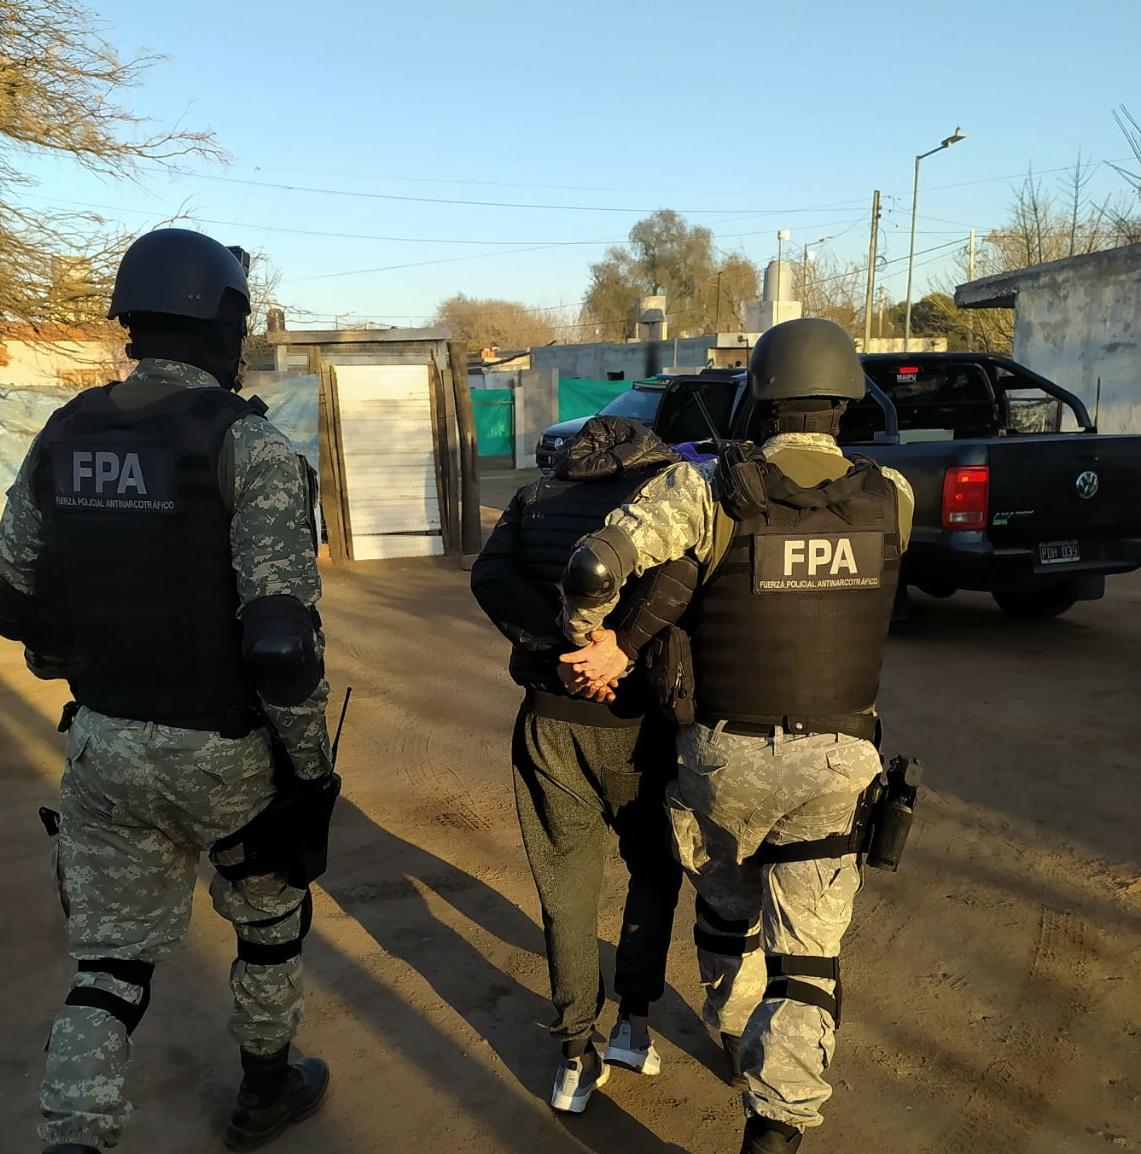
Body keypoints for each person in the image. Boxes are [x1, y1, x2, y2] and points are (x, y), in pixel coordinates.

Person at [0, 228, 334, 1154]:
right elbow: (281, 646)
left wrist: (68, 652)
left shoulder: (65, 432)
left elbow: (10, 587)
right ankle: (265, 1086)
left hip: (103, 742)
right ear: (224, 321)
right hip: (223, 754)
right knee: (269, 921)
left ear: (134, 322)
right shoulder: (250, 444)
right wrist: (309, 770)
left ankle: (72, 1138)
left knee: (109, 967)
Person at [559, 319, 915, 1152]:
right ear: (848, 398)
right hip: (837, 763)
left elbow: (594, 564)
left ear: (760, 394)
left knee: (727, 913)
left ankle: (731, 1031)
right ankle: (774, 1128)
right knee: (808, 962)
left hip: (724, 763)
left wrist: (588, 640)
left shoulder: (703, 488)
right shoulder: (891, 495)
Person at [471, 416, 697, 1114]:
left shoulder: (532, 498)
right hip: (642, 728)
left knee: (565, 889)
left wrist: (562, 650)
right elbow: (682, 582)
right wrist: (611, 650)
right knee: (653, 873)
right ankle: (633, 1026)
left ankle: (574, 1054)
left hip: (550, 721)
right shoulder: (668, 502)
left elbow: (490, 576)